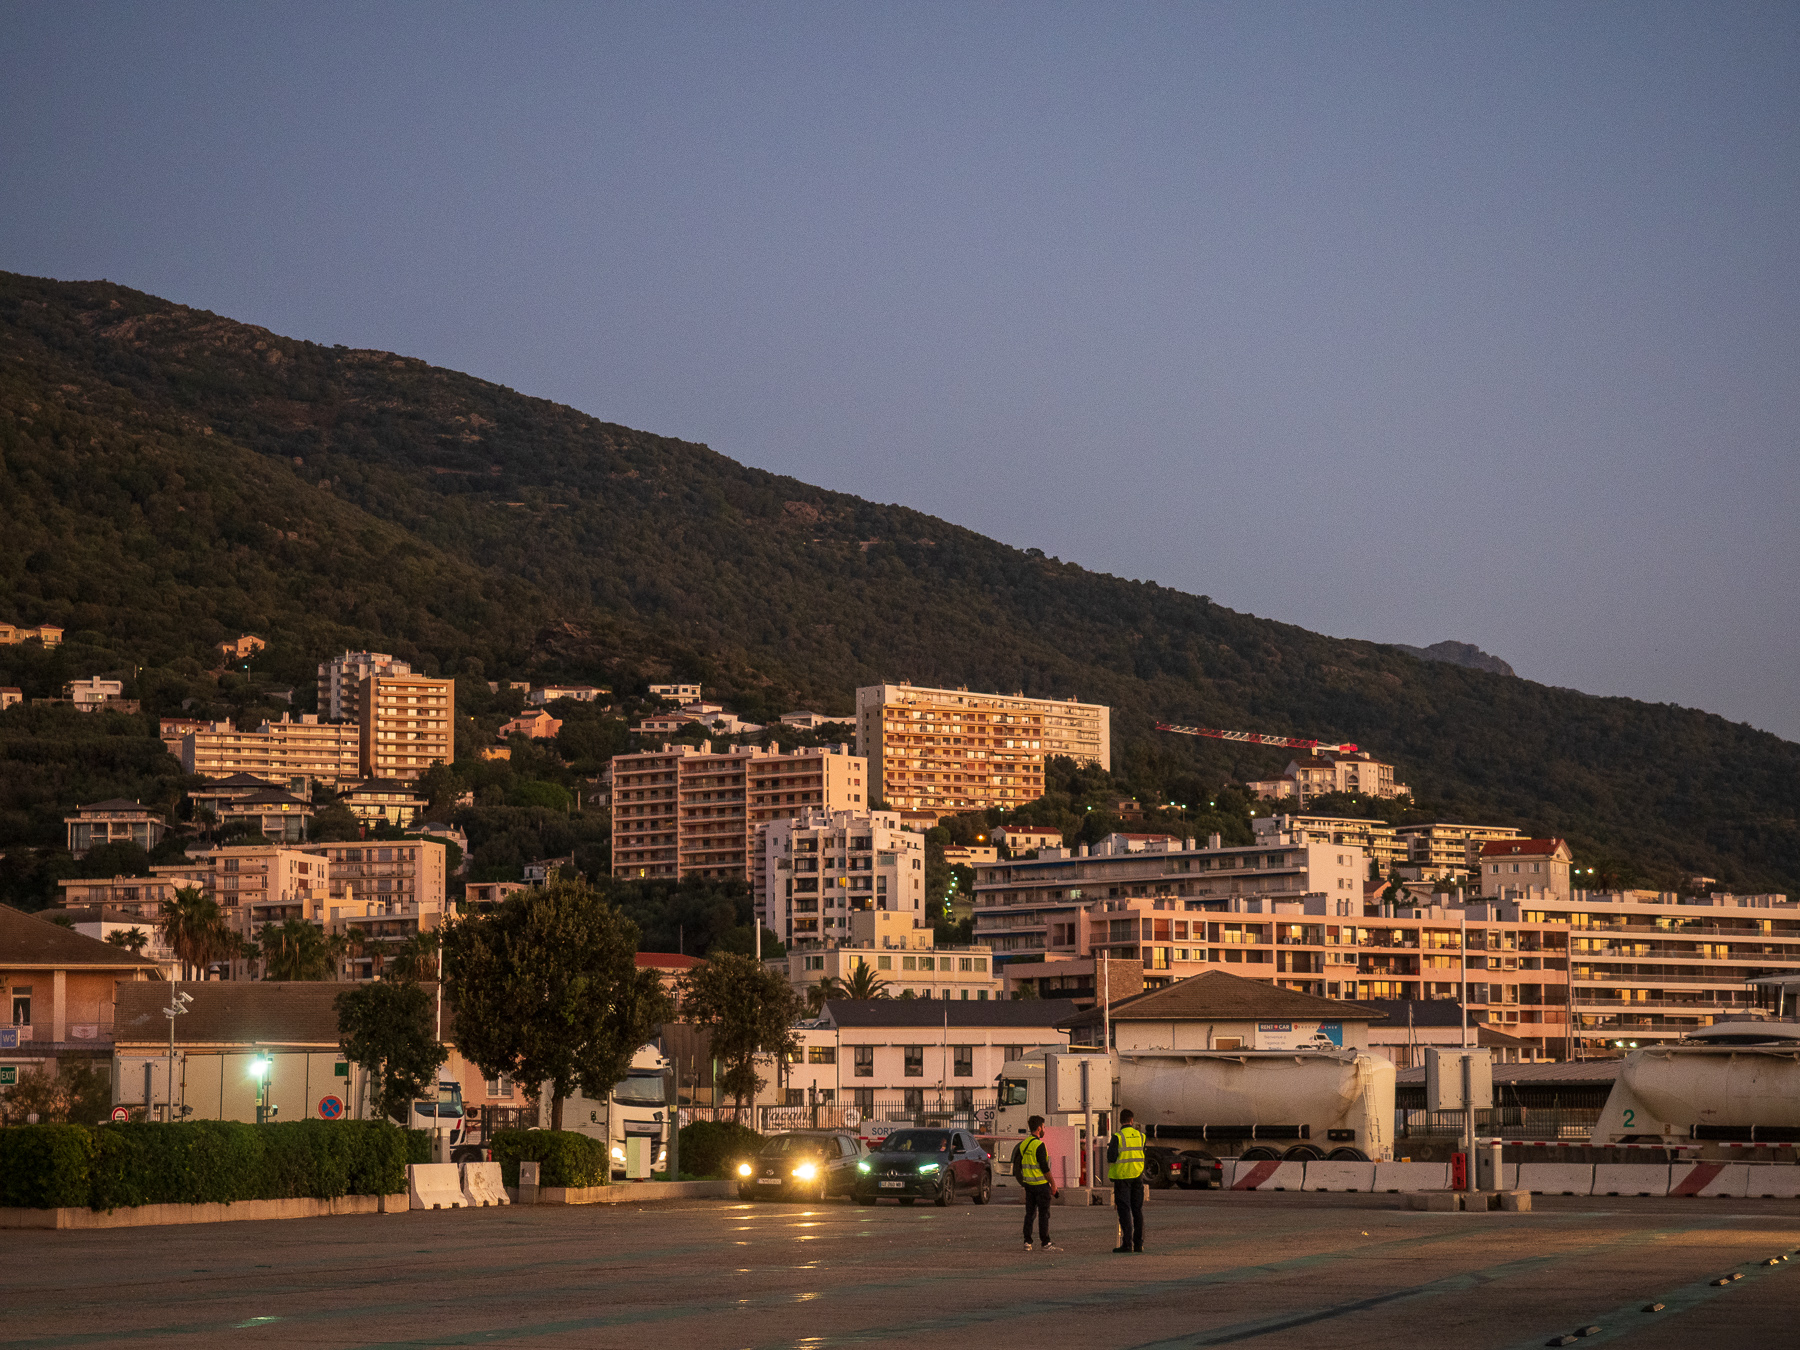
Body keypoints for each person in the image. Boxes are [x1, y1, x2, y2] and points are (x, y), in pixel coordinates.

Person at [1012, 1114, 1061, 1252]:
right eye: (1044, 1127)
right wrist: (1053, 1184)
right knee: (1044, 1214)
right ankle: (1045, 1242)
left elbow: (1018, 1165)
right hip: (1041, 1185)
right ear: (1039, 1128)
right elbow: (1044, 1168)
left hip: (1029, 1185)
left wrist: (1024, 1181)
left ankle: (1027, 1241)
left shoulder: (1023, 1144)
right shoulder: (1039, 1145)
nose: (1044, 1129)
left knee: (1030, 1214)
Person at [1107, 1108, 1147, 1253]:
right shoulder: (1141, 1136)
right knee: (1137, 1210)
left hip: (1122, 1178)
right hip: (1137, 1176)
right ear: (1132, 1120)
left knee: (1124, 1211)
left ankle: (1127, 1244)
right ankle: (1139, 1244)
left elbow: (1111, 1157)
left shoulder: (1117, 1137)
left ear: (1120, 1121)